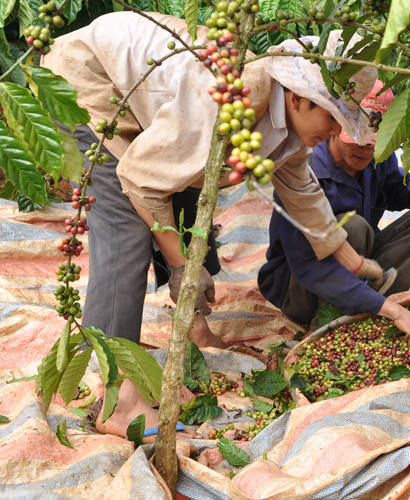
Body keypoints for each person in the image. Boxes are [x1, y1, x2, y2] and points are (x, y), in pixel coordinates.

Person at [42, 13, 386, 440]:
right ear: (299, 99)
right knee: (126, 227)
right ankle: (119, 399)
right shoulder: (225, 99)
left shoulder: (294, 128)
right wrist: (183, 265)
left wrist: (352, 260)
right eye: (334, 119)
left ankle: (192, 332)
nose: (338, 133)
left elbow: (301, 188)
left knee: (187, 188)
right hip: (91, 82)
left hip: (157, 111)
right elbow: (140, 178)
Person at [259, 81, 410, 348]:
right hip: (300, 286)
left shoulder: (376, 157)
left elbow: (400, 189)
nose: (365, 149)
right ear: (335, 126)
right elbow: (309, 266)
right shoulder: (301, 176)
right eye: (357, 139)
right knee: (353, 227)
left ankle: (370, 303)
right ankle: (330, 329)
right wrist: (395, 311)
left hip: (359, 265)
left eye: (373, 143)